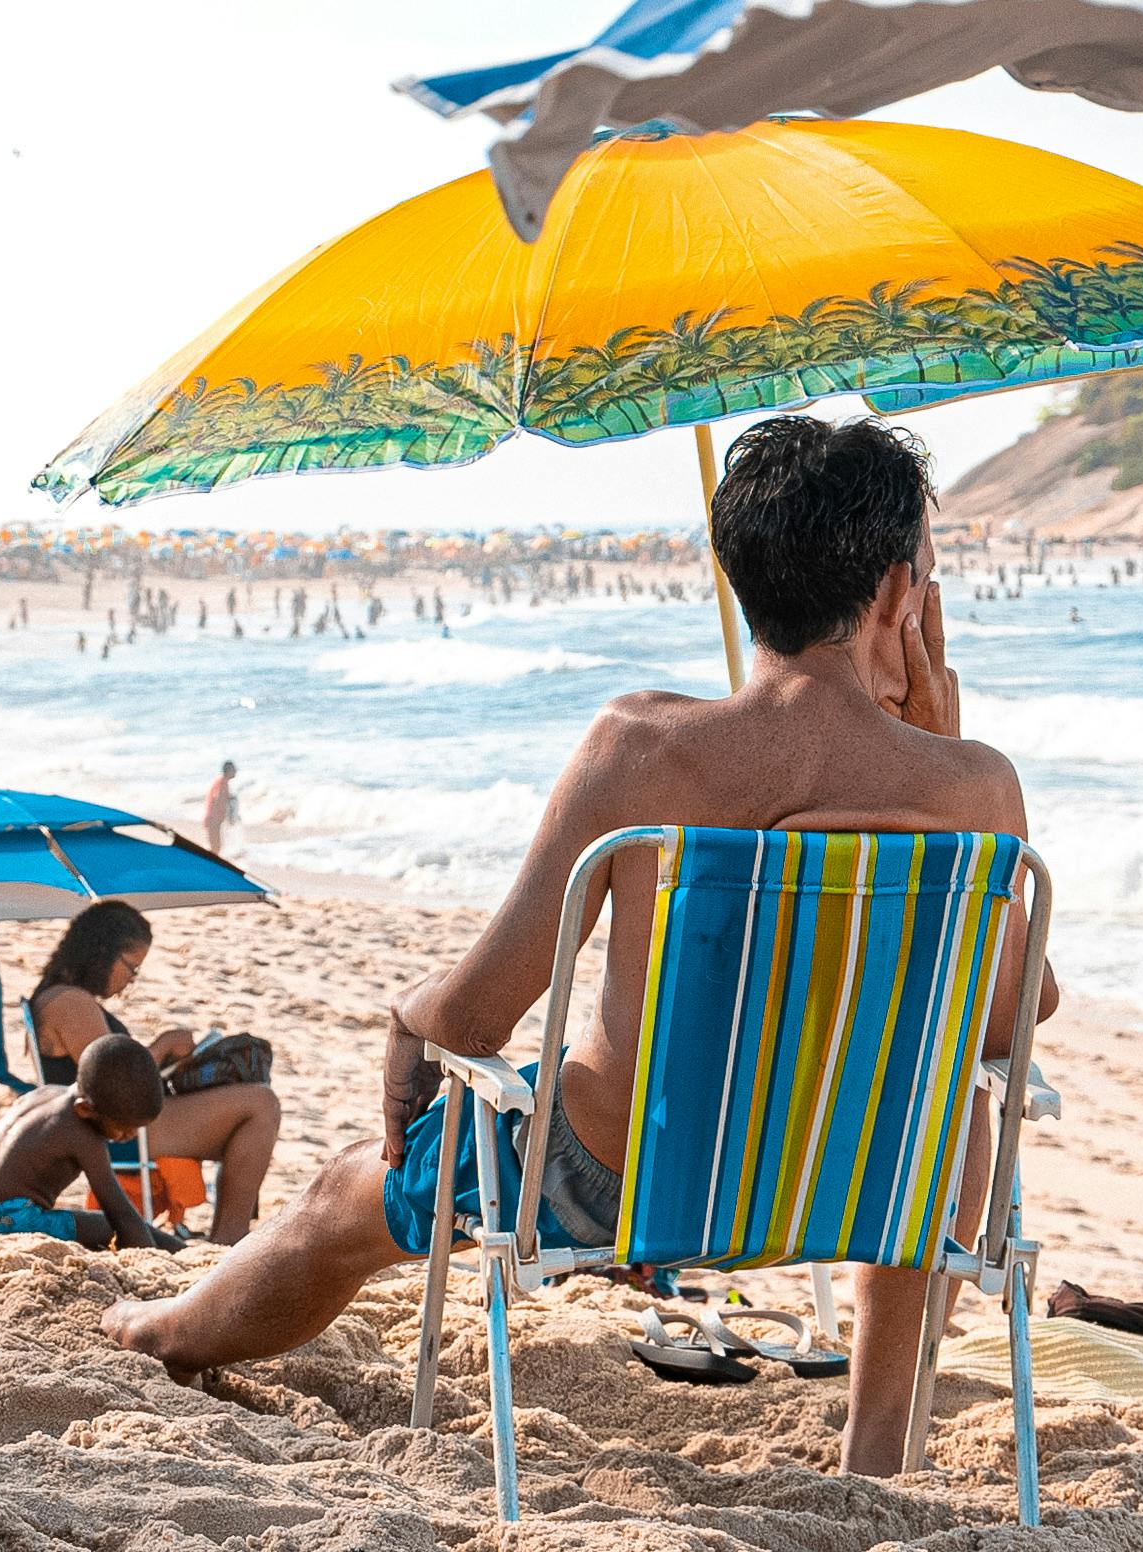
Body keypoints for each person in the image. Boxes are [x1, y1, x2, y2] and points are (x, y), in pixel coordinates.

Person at [102, 415, 1057, 1477]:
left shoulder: (637, 750)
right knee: (922, 1104)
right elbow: (1018, 1012)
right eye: (924, 575)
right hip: (885, 1189)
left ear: (741, 574)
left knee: (344, 1194)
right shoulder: (973, 786)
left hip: (624, 1182)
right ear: (893, 593)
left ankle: (164, 1329)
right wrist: (936, 748)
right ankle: (875, 1447)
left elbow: (476, 1015)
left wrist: (407, 1010)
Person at [28, 901, 280, 1245]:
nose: (131, 981)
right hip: (114, 1129)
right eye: (132, 968)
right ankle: (229, 1236)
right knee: (260, 1105)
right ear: (104, 954)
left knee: (247, 1101)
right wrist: (162, 1046)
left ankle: (227, 1233)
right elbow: (109, 1080)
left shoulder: (55, 997)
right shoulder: (71, 1003)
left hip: (107, 1121)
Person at [0, 1033, 169, 1247]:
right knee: (108, 1226)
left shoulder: (41, 1095)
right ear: (85, 1109)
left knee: (115, 1226)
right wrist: (149, 1252)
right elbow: (119, 1211)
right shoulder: (83, 1135)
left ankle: (180, 1249)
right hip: (9, 1223)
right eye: (124, 1130)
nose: (130, 1136)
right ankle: (177, 1253)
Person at [203, 761, 242, 855]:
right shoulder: (222, 783)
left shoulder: (223, 783)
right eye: (234, 769)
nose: (235, 771)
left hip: (215, 819)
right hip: (213, 819)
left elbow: (222, 798)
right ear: (228, 771)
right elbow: (218, 798)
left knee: (217, 846)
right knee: (216, 847)